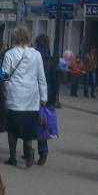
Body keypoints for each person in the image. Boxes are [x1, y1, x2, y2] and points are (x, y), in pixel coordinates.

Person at [2, 26, 47, 168]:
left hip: (14, 96)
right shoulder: (37, 55)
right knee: (28, 129)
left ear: (14, 38)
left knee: (12, 129)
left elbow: (4, 75)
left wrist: (3, 85)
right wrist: (43, 97)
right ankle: (29, 153)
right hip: (31, 98)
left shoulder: (10, 54)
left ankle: (13, 157)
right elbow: (41, 77)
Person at [34, 34, 58, 165]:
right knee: (41, 122)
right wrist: (54, 98)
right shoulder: (51, 59)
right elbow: (55, 81)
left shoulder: (34, 56)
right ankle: (43, 150)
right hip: (47, 95)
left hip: (33, 93)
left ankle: (29, 149)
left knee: (32, 121)